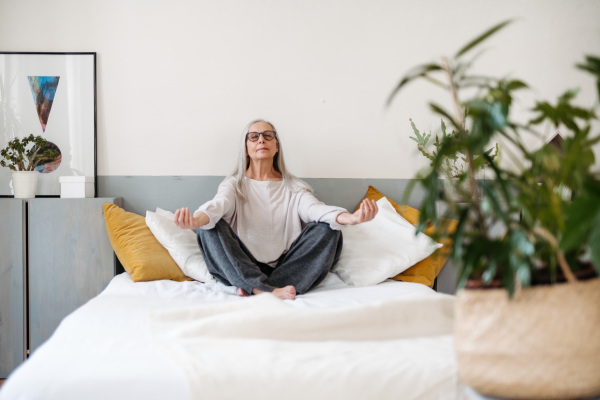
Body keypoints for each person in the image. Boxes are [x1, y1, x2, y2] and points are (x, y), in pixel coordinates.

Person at [174, 119, 377, 300]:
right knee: (209, 228)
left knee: (328, 229)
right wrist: (196, 220)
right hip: (245, 263)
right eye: (254, 137)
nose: (261, 140)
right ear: (246, 148)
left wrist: (350, 218)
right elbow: (217, 206)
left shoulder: (294, 186)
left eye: (267, 136)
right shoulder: (234, 185)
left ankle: (254, 287)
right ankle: (261, 289)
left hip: (288, 266)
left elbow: (316, 210)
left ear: (276, 146)